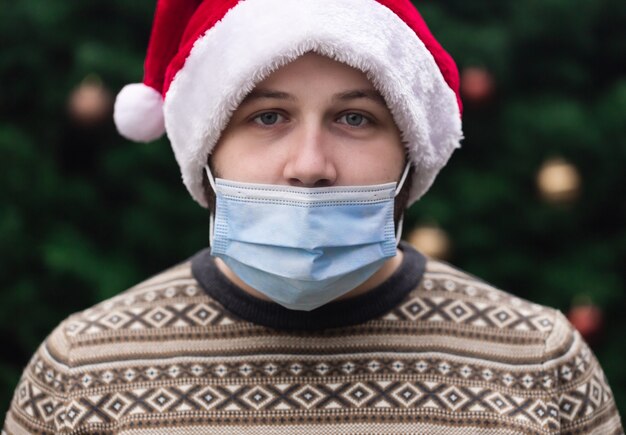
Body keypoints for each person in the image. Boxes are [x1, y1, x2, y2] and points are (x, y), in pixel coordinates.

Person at [4, 0, 622, 434]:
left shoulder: (539, 365)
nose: (310, 164)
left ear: (411, 153)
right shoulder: (83, 372)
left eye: (355, 118)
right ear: (206, 150)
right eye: (267, 117)